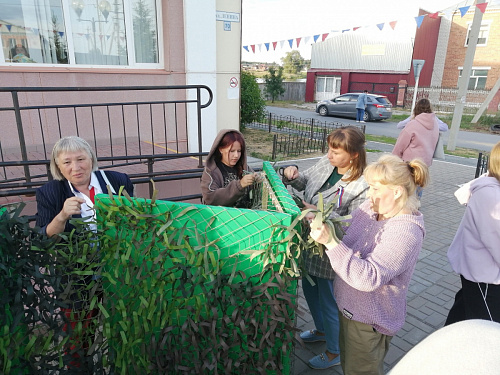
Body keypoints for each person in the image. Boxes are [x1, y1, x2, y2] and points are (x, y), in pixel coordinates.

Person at [309, 154, 428, 375]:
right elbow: (347, 227)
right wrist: (320, 218)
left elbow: (369, 277)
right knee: (349, 367)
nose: (369, 193)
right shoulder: (373, 209)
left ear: (396, 191)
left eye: (374, 188)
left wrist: (330, 242)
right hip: (349, 310)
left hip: (368, 322)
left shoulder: (405, 232)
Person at [35, 136, 134, 368]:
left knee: (124, 327)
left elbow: (134, 220)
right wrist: (61, 216)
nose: (76, 167)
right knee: (79, 336)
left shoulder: (118, 181)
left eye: (81, 159)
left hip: (117, 270)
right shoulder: (50, 192)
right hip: (75, 276)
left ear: (91, 159)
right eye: (67, 162)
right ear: (58, 166)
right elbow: (44, 237)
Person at [282, 126, 368, 369]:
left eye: (336, 152)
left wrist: (316, 214)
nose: (330, 155)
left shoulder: (362, 185)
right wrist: (293, 175)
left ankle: (334, 351)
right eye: (329, 149)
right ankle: (321, 331)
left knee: (329, 300)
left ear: (353, 155)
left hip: (330, 253)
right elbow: (306, 181)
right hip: (309, 245)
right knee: (310, 291)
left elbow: (353, 226)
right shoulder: (326, 162)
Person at [445, 141, 500, 325]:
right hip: (485, 278)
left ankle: (442, 349)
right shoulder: (492, 196)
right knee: (486, 331)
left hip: (482, 274)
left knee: (461, 319)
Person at [201, 129, 256, 208]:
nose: (236, 155)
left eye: (239, 151)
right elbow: (211, 198)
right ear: (221, 149)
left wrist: (256, 180)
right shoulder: (212, 171)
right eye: (232, 151)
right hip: (223, 218)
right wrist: (239, 185)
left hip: (246, 216)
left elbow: (254, 190)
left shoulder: (244, 168)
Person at [392, 98, 439, 167]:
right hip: (425, 162)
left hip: (410, 162)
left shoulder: (412, 124)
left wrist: (393, 159)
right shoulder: (435, 124)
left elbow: (400, 145)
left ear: (416, 109)